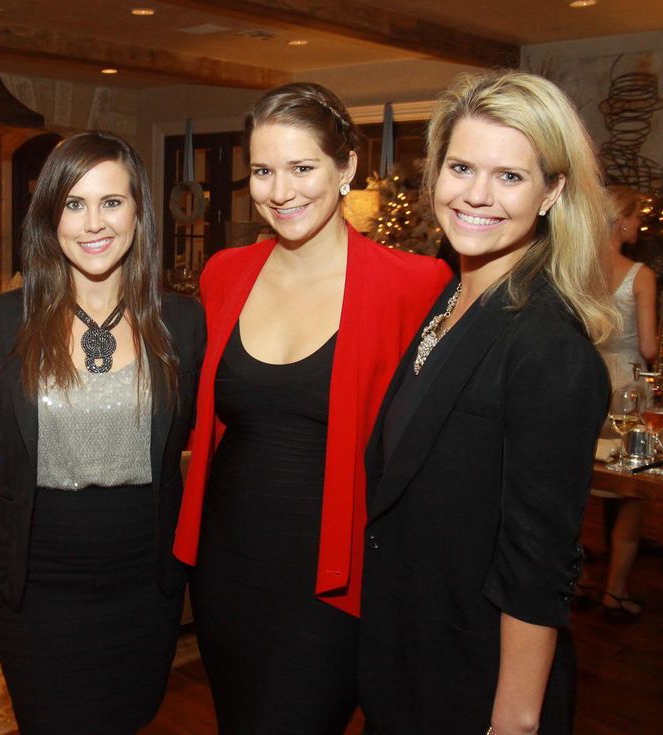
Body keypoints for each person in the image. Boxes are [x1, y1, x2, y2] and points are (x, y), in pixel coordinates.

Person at [172, 82, 452, 733]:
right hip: (227, 567)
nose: (280, 190)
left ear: (347, 166)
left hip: (334, 576)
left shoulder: (414, 285)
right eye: (264, 170)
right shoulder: (225, 273)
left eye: (303, 167)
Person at [358, 70, 614, 735]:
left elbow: (539, 560)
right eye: (461, 166)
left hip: (477, 684)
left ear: (554, 190)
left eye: (509, 176)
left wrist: (516, 719)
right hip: (413, 656)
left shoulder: (547, 345)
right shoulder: (455, 297)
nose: (475, 195)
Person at [0, 130, 205, 734]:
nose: (94, 222)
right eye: (73, 203)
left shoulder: (182, 322)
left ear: (139, 212)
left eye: (112, 202)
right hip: (36, 585)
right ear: (49, 217)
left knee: (131, 718)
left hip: (145, 582)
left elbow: (200, 434)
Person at [598, 184, 654, 618]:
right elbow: (650, 346)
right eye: (636, 217)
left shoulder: (585, 271)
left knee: (586, 480)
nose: (640, 225)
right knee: (633, 491)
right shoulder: (641, 275)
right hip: (630, 387)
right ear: (621, 220)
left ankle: (578, 577)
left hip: (590, 379)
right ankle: (615, 589)